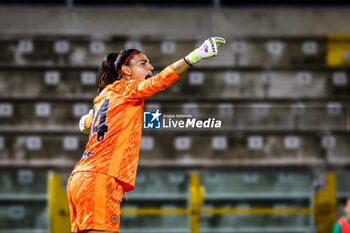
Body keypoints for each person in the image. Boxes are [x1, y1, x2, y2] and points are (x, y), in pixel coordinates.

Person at [66, 37, 226, 233]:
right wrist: (194, 56)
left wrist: (85, 122)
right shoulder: (127, 89)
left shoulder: (106, 95)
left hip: (80, 177)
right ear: (125, 70)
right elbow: (160, 81)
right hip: (101, 178)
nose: (150, 67)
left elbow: (87, 123)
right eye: (143, 63)